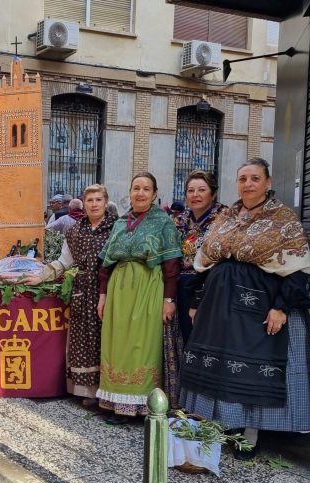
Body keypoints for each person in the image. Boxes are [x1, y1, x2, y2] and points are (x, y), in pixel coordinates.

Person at [179, 158, 310, 460]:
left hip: (259, 303)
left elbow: (298, 268)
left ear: (267, 181)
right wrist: (198, 302)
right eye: (242, 179)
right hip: (219, 304)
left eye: (254, 178)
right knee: (222, 364)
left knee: (251, 366)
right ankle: (226, 425)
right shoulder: (227, 216)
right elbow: (207, 261)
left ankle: (250, 433)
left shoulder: (283, 218)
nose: (248, 184)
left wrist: (282, 307)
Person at [96, 172, 182, 423]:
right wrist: (103, 296)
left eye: (146, 189)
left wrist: (169, 300)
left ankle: (142, 404)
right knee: (117, 343)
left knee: (142, 344)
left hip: (148, 285)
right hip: (119, 288)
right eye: (136, 188)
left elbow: (171, 264)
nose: (140, 193)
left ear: (155, 194)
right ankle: (115, 400)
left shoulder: (163, 222)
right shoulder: (121, 223)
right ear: (129, 192)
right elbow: (106, 263)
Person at [22, 184, 117, 405]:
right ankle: (87, 390)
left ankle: (110, 390)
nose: (94, 204)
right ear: (83, 203)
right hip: (83, 290)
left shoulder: (117, 228)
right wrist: (41, 276)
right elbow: (64, 262)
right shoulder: (74, 230)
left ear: (105, 202)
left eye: (98, 200)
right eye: (89, 200)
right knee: (83, 338)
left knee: (109, 337)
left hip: (110, 288)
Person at [173, 171, 226, 343]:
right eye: (190, 190)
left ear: (213, 193)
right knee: (183, 335)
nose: (195, 195)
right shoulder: (179, 220)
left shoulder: (224, 219)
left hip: (209, 286)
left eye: (202, 190)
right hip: (180, 287)